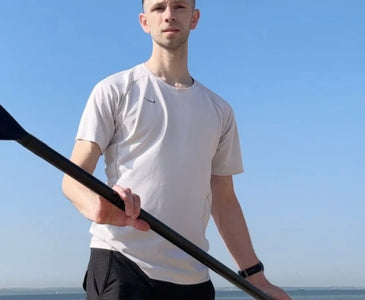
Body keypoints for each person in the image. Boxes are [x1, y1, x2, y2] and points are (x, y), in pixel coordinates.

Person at [62, 0, 292, 299]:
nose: (169, 14)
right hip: (122, 262)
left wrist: (257, 279)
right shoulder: (115, 89)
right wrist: (95, 205)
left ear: (194, 18)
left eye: (179, 6)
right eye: (159, 8)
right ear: (145, 21)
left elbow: (223, 200)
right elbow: (73, 177)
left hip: (194, 273)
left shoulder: (219, 110)